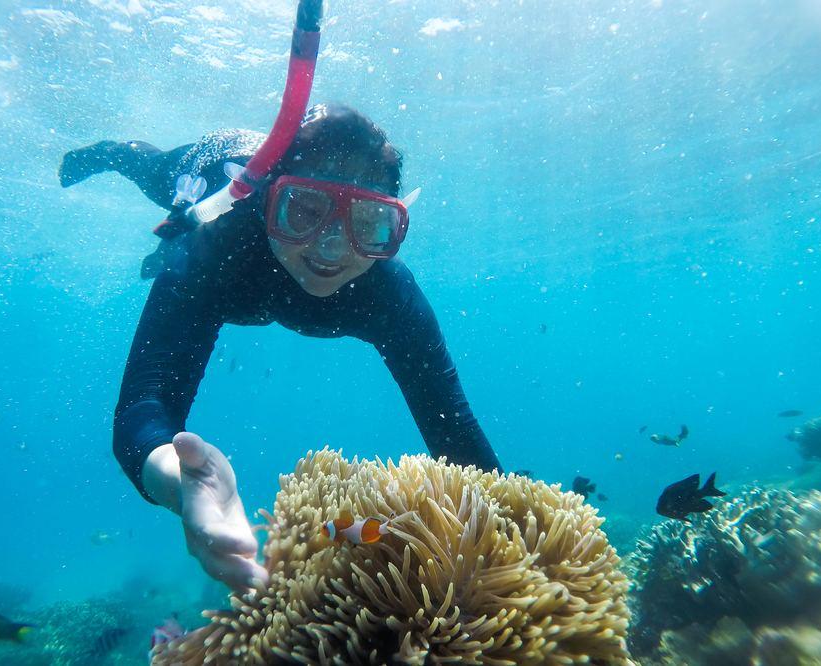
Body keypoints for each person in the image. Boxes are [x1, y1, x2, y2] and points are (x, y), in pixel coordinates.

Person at [59, 103, 503, 591]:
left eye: (369, 223)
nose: (332, 248)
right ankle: (112, 154)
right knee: (155, 171)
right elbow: (145, 407)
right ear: (269, 199)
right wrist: (183, 483)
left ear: (394, 228)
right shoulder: (214, 247)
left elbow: (453, 424)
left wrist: (510, 526)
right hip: (215, 164)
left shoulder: (387, 293)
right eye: (307, 210)